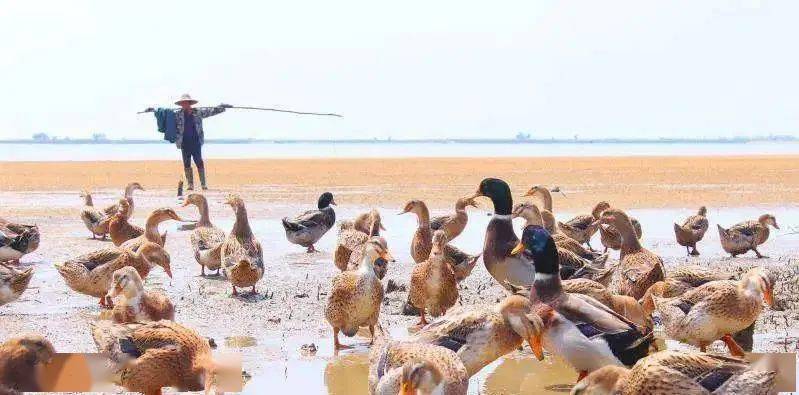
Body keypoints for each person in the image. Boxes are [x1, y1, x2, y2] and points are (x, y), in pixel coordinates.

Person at [145, 94, 231, 190]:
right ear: (181, 104)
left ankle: (203, 184)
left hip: (196, 141)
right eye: (183, 103)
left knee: (199, 161)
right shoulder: (177, 114)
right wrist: (154, 110)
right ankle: (190, 185)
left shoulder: (197, 112)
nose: (184, 104)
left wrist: (222, 107)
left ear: (190, 103)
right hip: (184, 142)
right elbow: (164, 114)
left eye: (186, 102)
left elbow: (211, 111)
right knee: (187, 163)